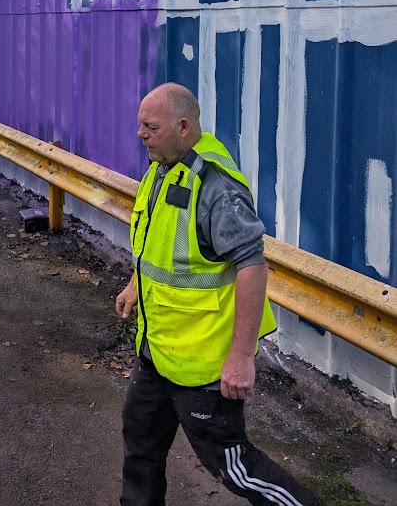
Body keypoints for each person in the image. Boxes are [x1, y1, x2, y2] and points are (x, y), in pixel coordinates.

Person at [116, 83, 324, 506]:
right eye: (141, 125)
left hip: (205, 368)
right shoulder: (162, 165)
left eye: (150, 126)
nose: (141, 134)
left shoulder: (216, 189)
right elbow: (157, 243)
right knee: (140, 446)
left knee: (236, 468)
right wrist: (136, 284)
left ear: (183, 126)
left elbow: (252, 266)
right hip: (156, 350)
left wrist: (241, 357)